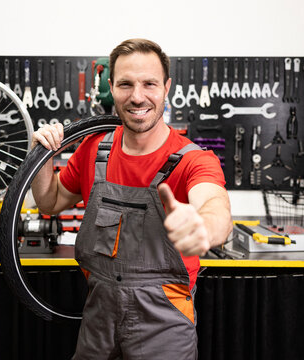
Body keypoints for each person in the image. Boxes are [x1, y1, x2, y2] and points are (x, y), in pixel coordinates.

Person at [31, 38, 232, 360]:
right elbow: (49, 202)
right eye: (125, 84)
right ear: (111, 87)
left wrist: (204, 227)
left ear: (167, 87)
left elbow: (215, 206)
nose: (137, 97)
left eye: (149, 84)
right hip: (97, 318)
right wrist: (40, 156)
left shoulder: (194, 160)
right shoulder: (93, 148)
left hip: (163, 323)